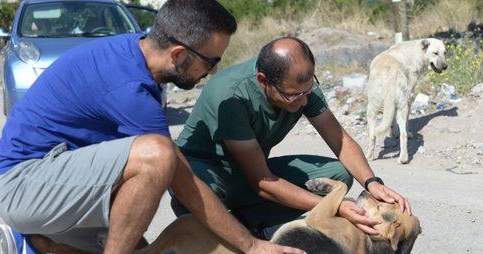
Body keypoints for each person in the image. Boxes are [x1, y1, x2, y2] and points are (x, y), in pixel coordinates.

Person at [0, 0, 306, 254]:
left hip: (51, 179)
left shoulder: (137, 54)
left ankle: (36, 240)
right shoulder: (129, 86)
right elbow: (185, 184)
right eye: (211, 61)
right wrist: (253, 246)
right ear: (180, 54)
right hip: (23, 185)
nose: (212, 71)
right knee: (157, 155)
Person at [172, 36, 412, 241]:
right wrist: (334, 206)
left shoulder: (299, 85)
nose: (304, 101)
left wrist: (372, 183)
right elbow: (262, 182)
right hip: (208, 171)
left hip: (250, 172)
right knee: (200, 194)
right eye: (293, 96)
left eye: (308, 91)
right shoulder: (232, 94)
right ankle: (209, 225)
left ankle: (245, 223)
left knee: (338, 175)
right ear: (263, 81)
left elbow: (340, 140)